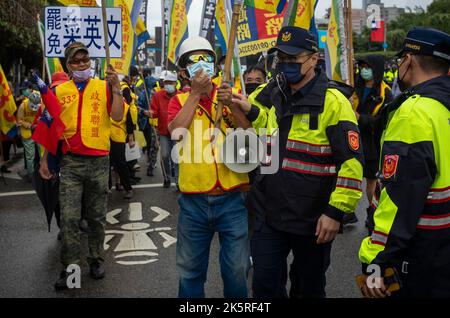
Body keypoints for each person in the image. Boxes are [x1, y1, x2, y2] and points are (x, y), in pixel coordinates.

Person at [231, 26, 364, 298]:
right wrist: (248, 109)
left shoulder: (334, 102)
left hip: (313, 219)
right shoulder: (274, 91)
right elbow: (267, 129)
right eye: (282, 59)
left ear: (314, 59)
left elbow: (352, 165)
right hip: (268, 213)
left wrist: (335, 213)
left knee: (308, 288)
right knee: (265, 287)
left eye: (294, 59)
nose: (287, 65)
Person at [358, 27, 450, 298]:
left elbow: (398, 199)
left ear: (409, 59)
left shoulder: (414, 112)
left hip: (422, 255)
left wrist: (376, 263)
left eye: (401, 60)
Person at [168, 36, 250, 298]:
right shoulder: (178, 101)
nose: (202, 64)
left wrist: (233, 107)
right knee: (190, 271)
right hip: (193, 203)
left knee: (237, 270)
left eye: (207, 58)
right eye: (194, 60)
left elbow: (250, 136)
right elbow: (176, 132)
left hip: (233, 198)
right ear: (183, 71)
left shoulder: (229, 95)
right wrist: (194, 94)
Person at [45, 42, 124, 290]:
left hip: (99, 162)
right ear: (68, 66)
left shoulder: (104, 86)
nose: (82, 65)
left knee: (97, 217)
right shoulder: (58, 91)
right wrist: (45, 161)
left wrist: (117, 88)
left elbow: (119, 116)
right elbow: (50, 129)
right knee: (69, 218)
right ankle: (70, 270)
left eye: (85, 60)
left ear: (91, 61)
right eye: (76, 62)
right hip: (70, 162)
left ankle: (96, 259)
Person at [345, 55, 393, 225]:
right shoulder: (355, 88)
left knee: (371, 182)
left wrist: (360, 118)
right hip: (352, 140)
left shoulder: (385, 92)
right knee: (349, 176)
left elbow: (384, 121)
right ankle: (347, 211)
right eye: (362, 67)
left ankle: (372, 212)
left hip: (372, 143)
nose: (364, 70)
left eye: (368, 67)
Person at [150, 71, 180, 188]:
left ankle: (178, 181)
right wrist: (150, 113)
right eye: (166, 82)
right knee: (165, 155)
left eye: (170, 82)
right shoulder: (158, 95)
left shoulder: (181, 95)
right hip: (163, 131)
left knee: (177, 157)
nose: (168, 84)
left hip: (178, 132)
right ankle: (167, 177)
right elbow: (154, 112)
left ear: (176, 83)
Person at [17, 90, 42, 182]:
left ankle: (42, 173)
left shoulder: (42, 104)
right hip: (27, 131)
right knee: (30, 155)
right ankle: (31, 175)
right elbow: (19, 121)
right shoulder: (23, 106)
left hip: (39, 131)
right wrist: (30, 126)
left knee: (42, 153)